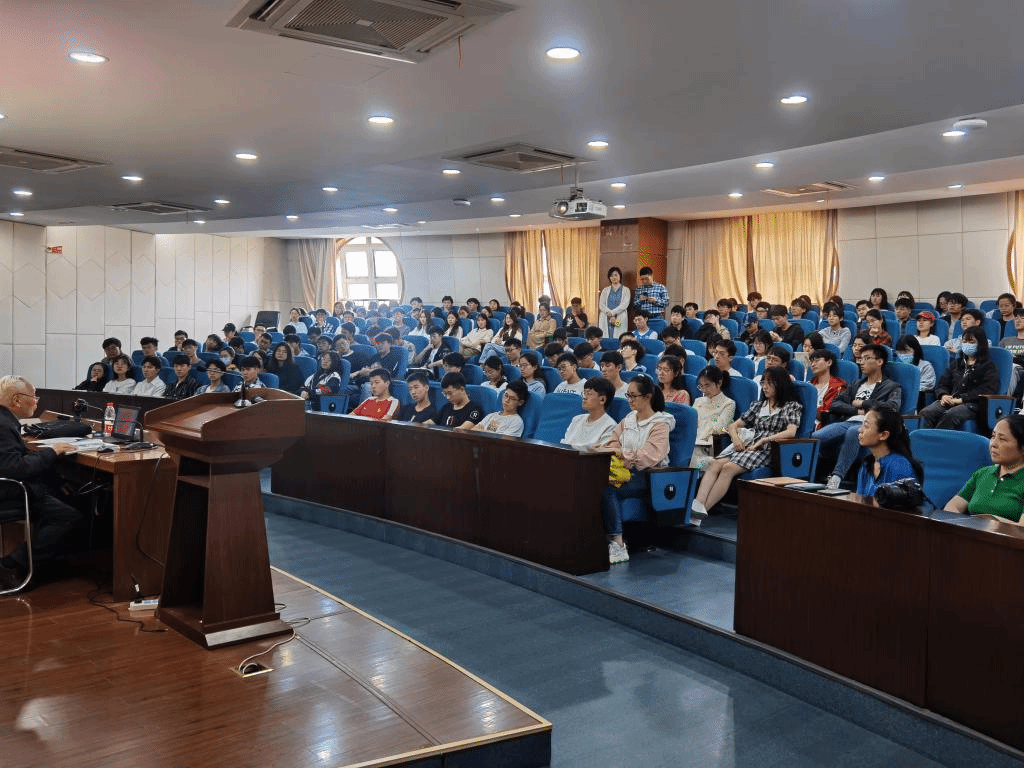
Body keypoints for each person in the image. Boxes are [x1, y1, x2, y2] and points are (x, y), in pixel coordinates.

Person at [690, 366, 803, 524]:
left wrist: (765, 440)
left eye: (769, 383)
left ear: (780, 384)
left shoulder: (791, 406)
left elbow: (791, 432)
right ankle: (698, 505)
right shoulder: (759, 405)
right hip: (749, 444)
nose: (764, 387)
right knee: (715, 464)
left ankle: (700, 513)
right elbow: (733, 425)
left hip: (770, 448)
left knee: (728, 468)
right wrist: (735, 438)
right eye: (763, 383)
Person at [0, 376, 83, 589]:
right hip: (9, 491)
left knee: (65, 491)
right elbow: (16, 468)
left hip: (8, 486)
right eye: (34, 396)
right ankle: (13, 564)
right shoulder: (3, 424)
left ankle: (42, 561)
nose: (37, 401)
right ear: (16, 400)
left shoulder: (5, 420)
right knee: (68, 516)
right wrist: (51, 452)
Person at [598, 375, 676, 563]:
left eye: (634, 396)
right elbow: (613, 439)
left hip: (647, 476)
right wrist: (617, 451)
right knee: (593, 479)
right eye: (628, 395)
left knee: (608, 488)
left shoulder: (660, 424)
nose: (630, 400)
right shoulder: (629, 418)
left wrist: (623, 454)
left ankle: (618, 544)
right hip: (624, 470)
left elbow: (651, 455)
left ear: (647, 397)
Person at [814, 344, 902, 489]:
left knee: (854, 432)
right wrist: (857, 412)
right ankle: (810, 477)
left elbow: (892, 407)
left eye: (866, 358)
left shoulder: (891, 386)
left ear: (879, 361)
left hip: (870, 426)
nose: (861, 362)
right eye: (860, 359)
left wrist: (863, 403)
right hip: (848, 421)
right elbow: (835, 404)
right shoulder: (856, 384)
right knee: (815, 437)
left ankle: (836, 478)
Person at [943, 415, 1024, 521]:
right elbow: (952, 507)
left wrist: (985, 522)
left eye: (1002, 439)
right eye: (993, 436)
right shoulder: (983, 474)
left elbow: (1021, 528)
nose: (993, 444)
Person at [920, 327, 1000, 429]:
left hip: (973, 404)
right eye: (964, 341)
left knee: (951, 415)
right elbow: (943, 383)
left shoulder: (989, 366)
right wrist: (943, 395)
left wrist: (962, 399)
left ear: (981, 344)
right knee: (926, 413)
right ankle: (925, 438)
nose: (967, 344)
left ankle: (937, 439)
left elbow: (987, 390)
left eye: (971, 342)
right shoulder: (956, 363)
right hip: (951, 401)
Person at [855, 405, 922, 498]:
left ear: (883, 435)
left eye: (866, 426)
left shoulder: (899, 466)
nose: (860, 430)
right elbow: (859, 502)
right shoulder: (867, 464)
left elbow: (901, 505)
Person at [690, 366, 736, 469]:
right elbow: (691, 423)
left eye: (707, 385)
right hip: (693, 442)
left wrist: (700, 431)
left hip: (707, 446)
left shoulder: (729, 404)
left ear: (719, 383)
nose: (704, 390)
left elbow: (719, 428)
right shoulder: (698, 401)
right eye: (701, 386)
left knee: (688, 458)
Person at [561, 377, 618, 450]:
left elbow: (600, 453)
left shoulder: (610, 426)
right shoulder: (576, 419)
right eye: (584, 393)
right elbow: (564, 445)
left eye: (589, 394)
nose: (584, 397)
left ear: (602, 399)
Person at [462, 380, 529, 437]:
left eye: (512, 398)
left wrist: (483, 431)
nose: (506, 400)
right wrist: (493, 434)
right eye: (506, 395)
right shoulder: (491, 416)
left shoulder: (516, 422)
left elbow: (503, 443)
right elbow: (473, 432)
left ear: (520, 402)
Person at [893, 334, 936, 409]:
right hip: (895, 399)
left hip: (916, 399)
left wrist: (907, 389)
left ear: (915, 350)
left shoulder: (925, 366)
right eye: (900, 352)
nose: (903, 355)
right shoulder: (894, 366)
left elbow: (927, 385)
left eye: (907, 351)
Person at [807, 349, 845, 429]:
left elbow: (827, 412)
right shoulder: (808, 385)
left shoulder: (839, 386)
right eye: (812, 362)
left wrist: (808, 409)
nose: (813, 364)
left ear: (829, 362)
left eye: (817, 360)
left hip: (825, 426)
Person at [597, 266, 631, 337]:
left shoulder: (626, 290)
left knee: (619, 336)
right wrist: (609, 313)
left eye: (616, 275)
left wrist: (613, 313)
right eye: (611, 276)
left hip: (619, 317)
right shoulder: (605, 290)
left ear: (620, 276)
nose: (614, 277)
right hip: (606, 317)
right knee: (605, 336)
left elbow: (625, 304)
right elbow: (601, 304)